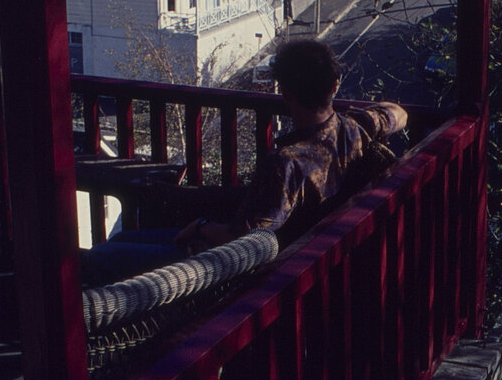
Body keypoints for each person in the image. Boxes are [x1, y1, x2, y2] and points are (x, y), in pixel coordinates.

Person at [78, 39, 407, 286]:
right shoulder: (356, 128)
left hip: (222, 268)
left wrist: (201, 226)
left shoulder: (286, 164)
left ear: (286, 94)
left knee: (100, 258)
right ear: (334, 86)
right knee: (119, 242)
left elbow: (245, 238)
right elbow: (398, 113)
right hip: (302, 256)